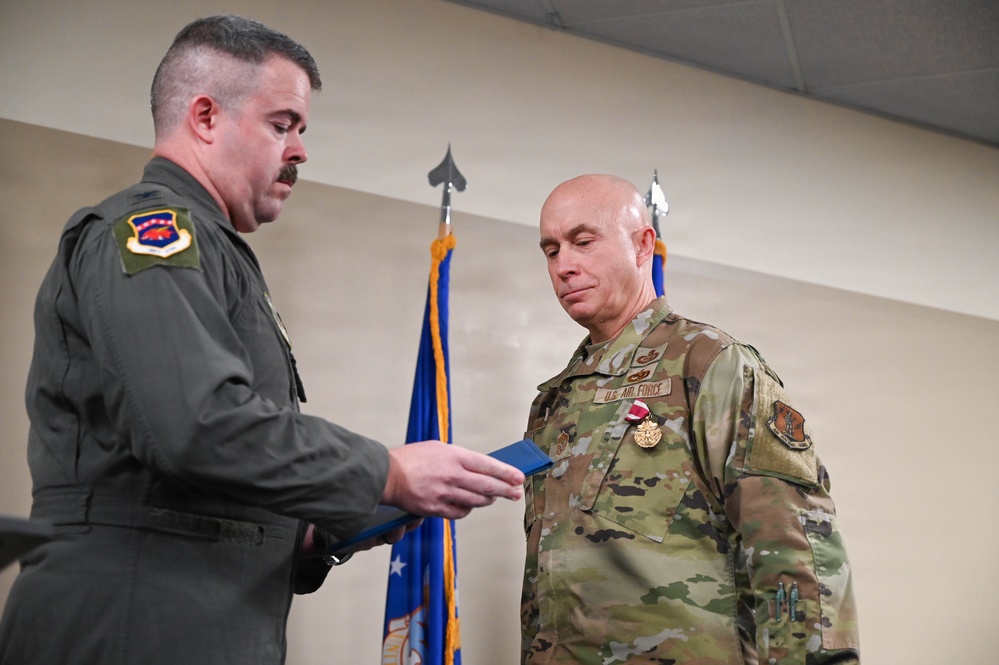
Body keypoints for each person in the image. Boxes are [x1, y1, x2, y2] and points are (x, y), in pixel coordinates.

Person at [0, 15, 524, 665]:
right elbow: (195, 424)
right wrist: (384, 471)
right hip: (132, 622)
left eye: (302, 130)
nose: (300, 150)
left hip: (196, 616)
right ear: (205, 117)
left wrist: (318, 527)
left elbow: (198, 481)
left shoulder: (215, 249)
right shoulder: (152, 231)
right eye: (282, 125)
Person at [520, 174, 860, 664]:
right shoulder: (556, 401)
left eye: (584, 242)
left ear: (642, 247)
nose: (564, 266)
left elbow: (795, 545)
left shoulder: (709, 365)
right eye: (551, 251)